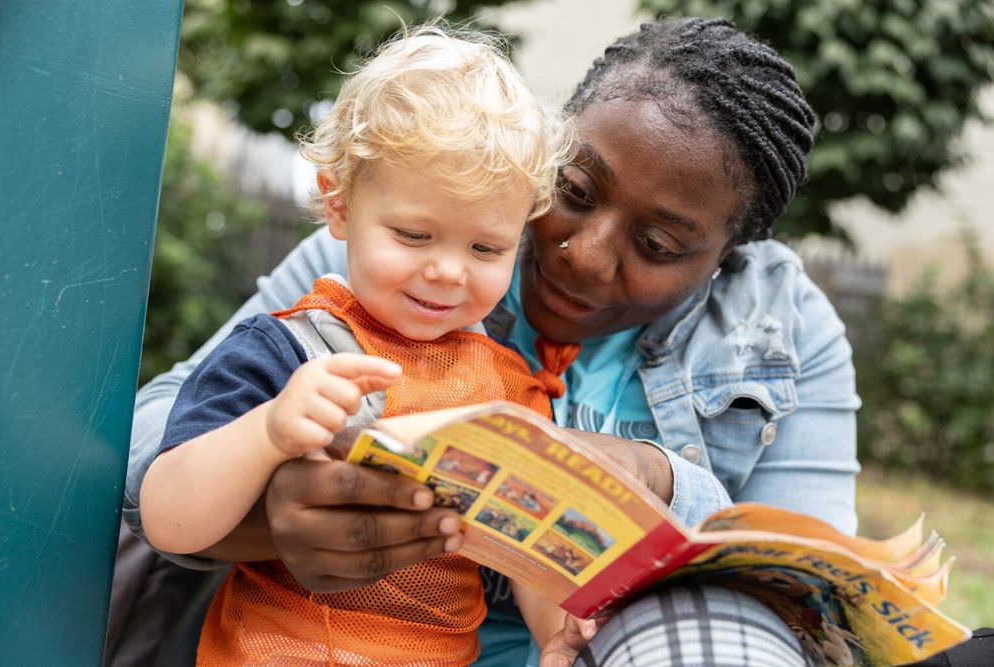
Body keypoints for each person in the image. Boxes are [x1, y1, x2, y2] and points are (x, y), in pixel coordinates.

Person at [118, 16, 866, 667]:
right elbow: (156, 444)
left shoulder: (780, 328)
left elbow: (816, 592)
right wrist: (265, 490)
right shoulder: (382, 271)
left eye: (659, 242)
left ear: (727, 256)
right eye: (573, 191)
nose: (584, 253)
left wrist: (652, 480)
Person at [136, 24, 579, 665]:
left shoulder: (512, 388)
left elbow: (528, 554)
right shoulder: (285, 348)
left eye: (487, 248)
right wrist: (266, 433)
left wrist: (556, 636)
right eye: (413, 235)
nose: (450, 271)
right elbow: (168, 521)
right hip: (277, 649)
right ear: (339, 206)